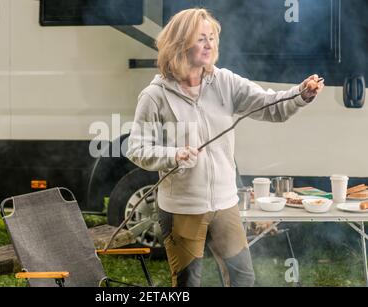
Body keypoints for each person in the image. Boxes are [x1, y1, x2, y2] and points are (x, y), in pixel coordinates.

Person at [126, 8, 324, 287]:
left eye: (212, 38)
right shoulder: (155, 96)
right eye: (201, 38)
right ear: (181, 43)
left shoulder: (225, 82)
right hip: (182, 208)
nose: (210, 45)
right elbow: (136, 148)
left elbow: (270, 106)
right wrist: (173, 155)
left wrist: (300, 94)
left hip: (225, 204)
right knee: (187, 283)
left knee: (243, 279)